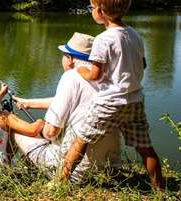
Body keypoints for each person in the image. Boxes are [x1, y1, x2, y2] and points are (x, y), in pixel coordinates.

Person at [60, 0, 163, 189]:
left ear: (99, 11)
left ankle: (60, 183)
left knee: (81, 140)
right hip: (134, 100)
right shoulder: (135, 35)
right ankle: (160, 189)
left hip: (109, 102)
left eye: (91, 8)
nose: (92, 12)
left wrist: (81, 71)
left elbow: (95, 76)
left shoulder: (102, 39)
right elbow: (142, 65)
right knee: (145, 148)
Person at [7, 32, 121, 182]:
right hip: (109, 171)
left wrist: (37, 129)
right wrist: (29, 102)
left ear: (70, 59)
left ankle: (7, 174)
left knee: (15, 130)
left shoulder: (70, 77)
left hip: (75, 174)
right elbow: (73, 100)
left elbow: (50, 132)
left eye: (63, 55)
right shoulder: (108, 79)